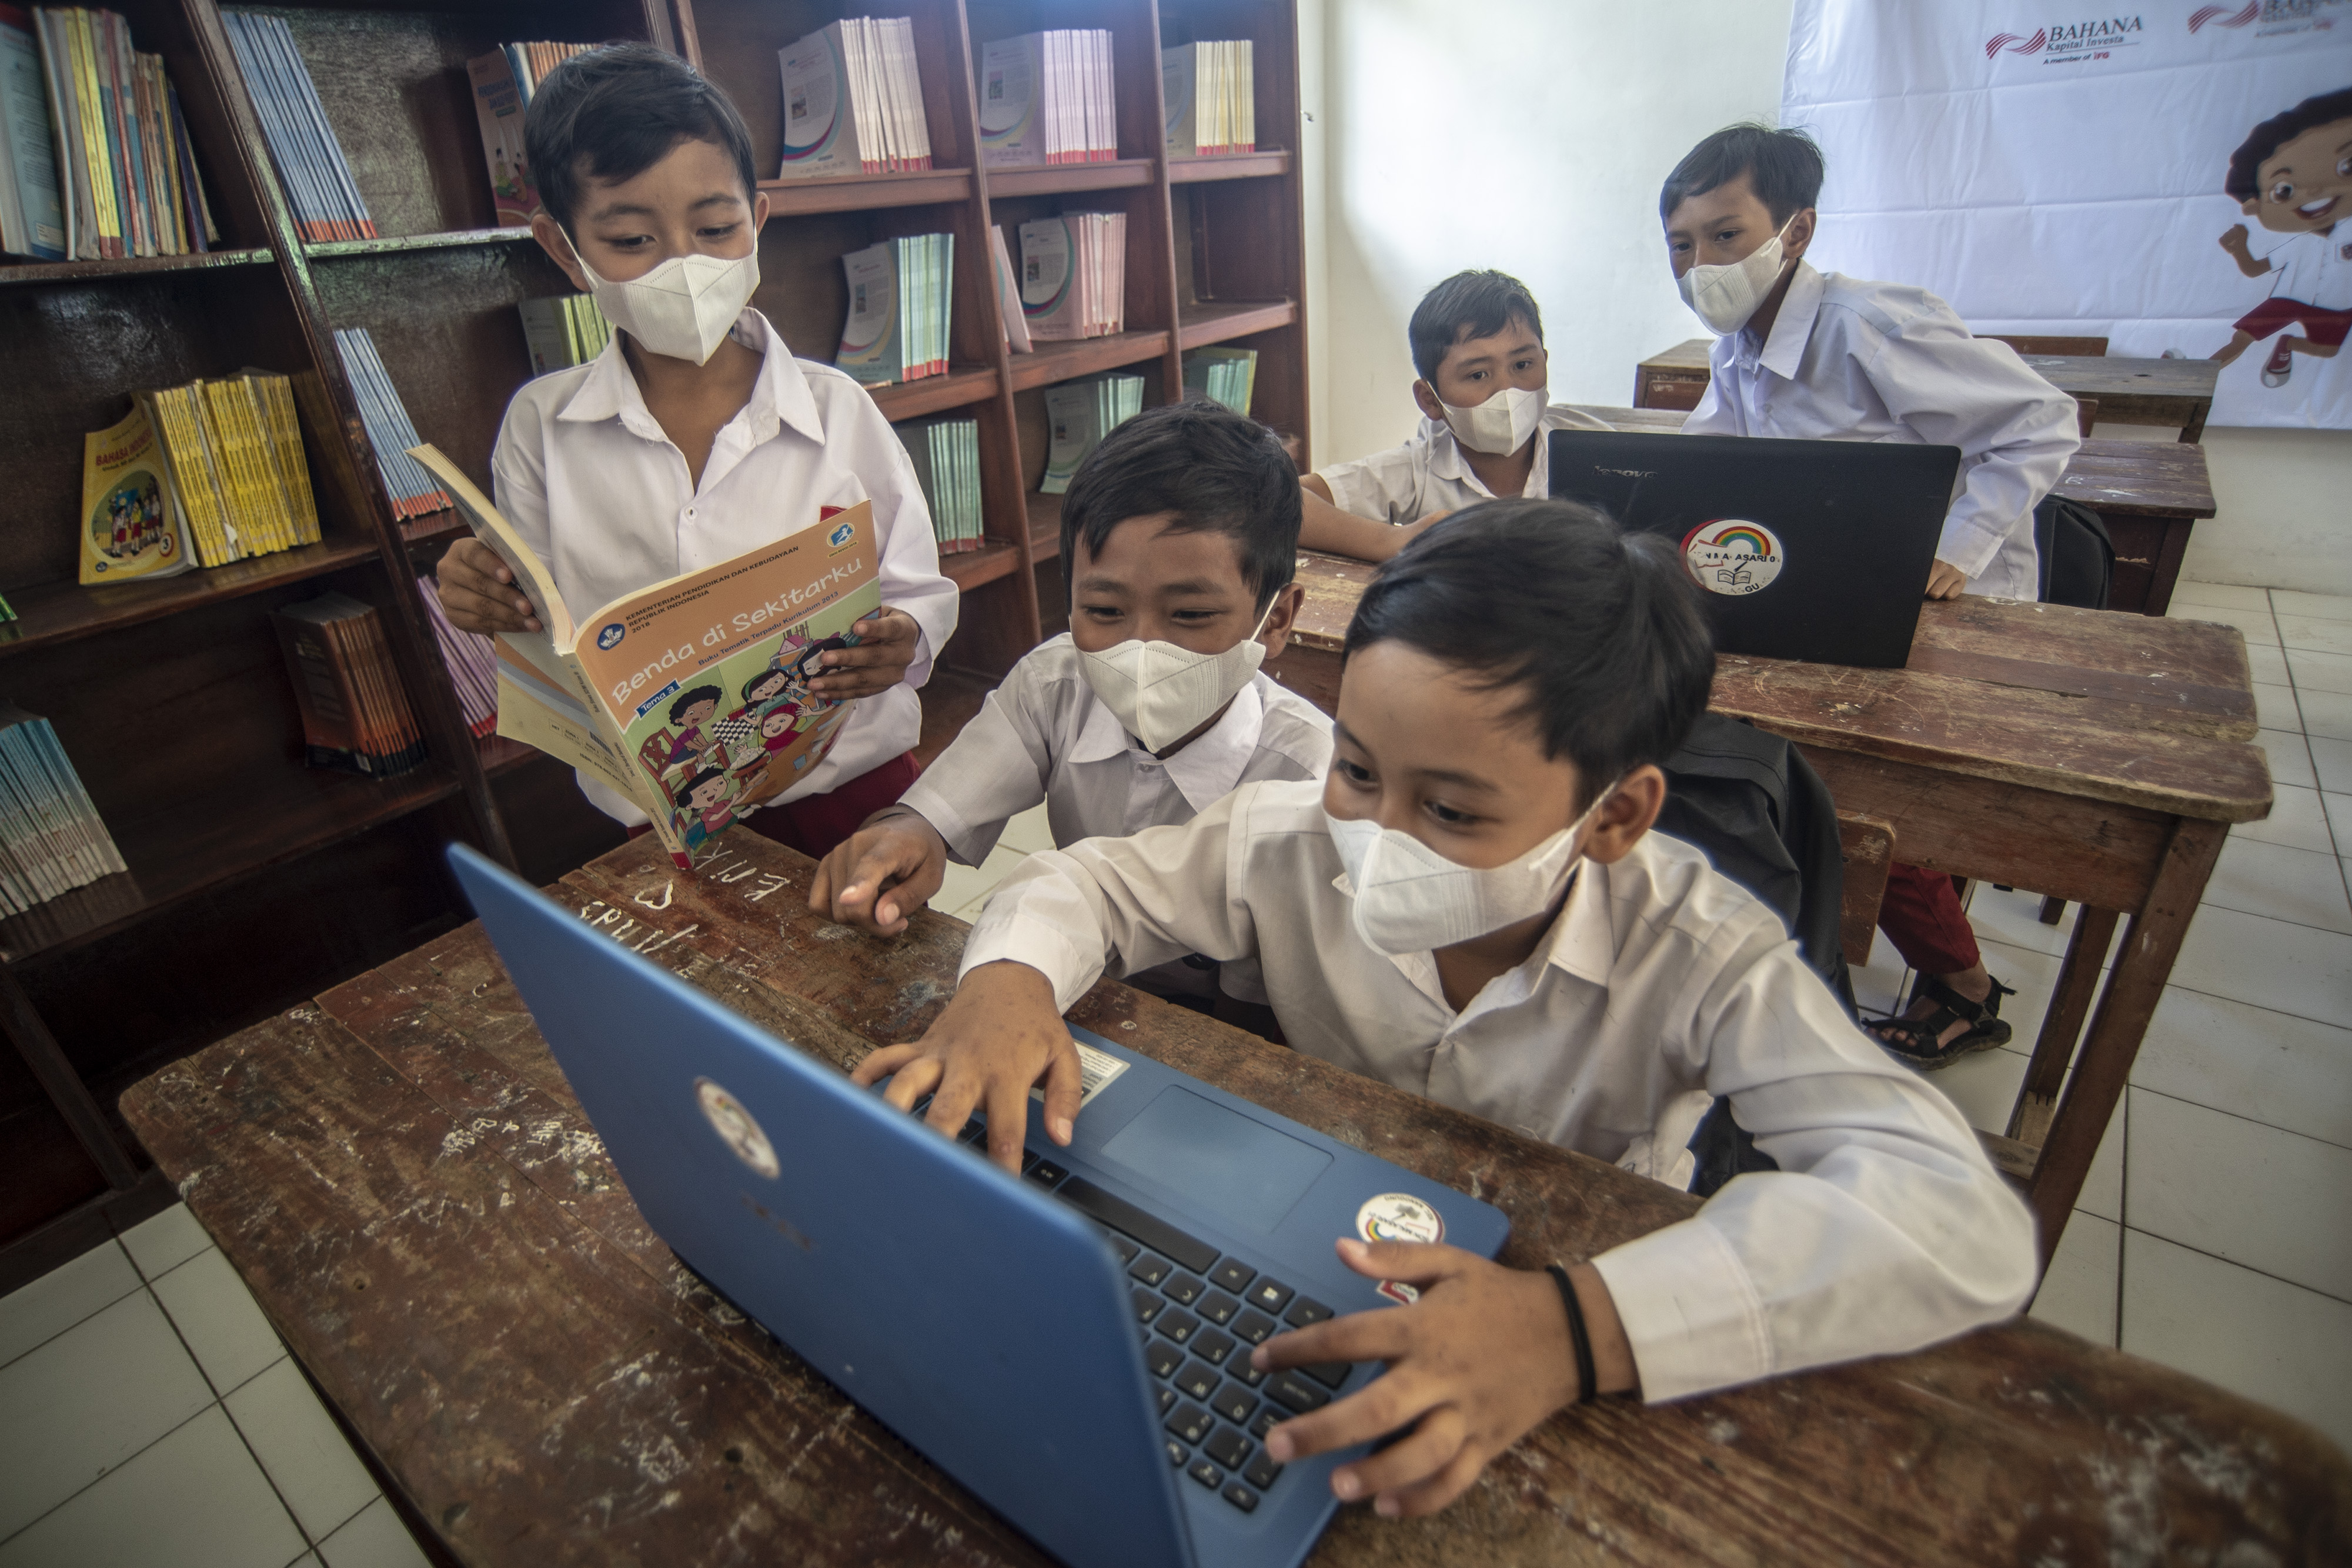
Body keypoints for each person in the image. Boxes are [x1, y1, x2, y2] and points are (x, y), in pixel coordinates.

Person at [852, 503, 2035, 1517]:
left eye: (1454, 811)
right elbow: (1091, 880)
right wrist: (1005, 983)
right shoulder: (1289, 834)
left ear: (1613, 817)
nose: (1373, 834)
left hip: (1548, 1321)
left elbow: (1953, 1216)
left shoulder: (1700, 947)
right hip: (1319, 1232)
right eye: (1360, 767)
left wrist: (1579, 1327)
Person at [433, 44, 956, 861]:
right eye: (633, 239)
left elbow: (919, 589)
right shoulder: (542, 425)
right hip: (658, 813)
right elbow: (538, 619)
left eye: (716, 229)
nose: (684, 265)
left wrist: (901, 637)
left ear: (758, 223)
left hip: (847, 790)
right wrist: (485, 593)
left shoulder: (835, 408)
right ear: (566, 251)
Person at [1661, 122, 2083, 1066]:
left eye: (1725, 236)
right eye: (1681, 246)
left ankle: (1966, 989)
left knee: (1859, 796)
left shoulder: (1871, 325)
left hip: (1945, 608)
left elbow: (2043, 422)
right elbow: (1702, 462)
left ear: (1796, 232)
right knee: (1796, 776)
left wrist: (1963, 549)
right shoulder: (1740, 343)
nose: (1702, 265)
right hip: (1836, 596)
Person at [809, 400, 1332, 1013]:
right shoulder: (1057, 683)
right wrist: (905, 834)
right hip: (1080, 980)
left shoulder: (1310, 778)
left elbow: (1281, 1012)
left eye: (1190, 615)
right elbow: (946, 806)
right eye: (1105, 611)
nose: (1141, 649)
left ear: (1279, 619)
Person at [1296, 270, 1612, 562]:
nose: (1508, 390)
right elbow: (1281, 501)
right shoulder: (1417, 470)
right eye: (1478, 375)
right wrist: (1392, 540)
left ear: (1544, 361)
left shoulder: (1599, 453)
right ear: (1430, 400)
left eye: (1523, 365)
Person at [2208, 86, 2352, 389]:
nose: (2313, 192)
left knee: (2327, 350)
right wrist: (2239, 250)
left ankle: (2288, 346)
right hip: (2288, 299)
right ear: (2254, 205)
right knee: (2242, 339)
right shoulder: (2299, 243)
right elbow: (2255, 270)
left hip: (2337, 304)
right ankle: (2197, 375)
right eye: (2283, 190)